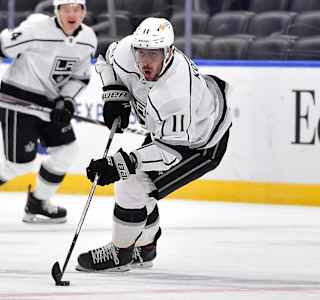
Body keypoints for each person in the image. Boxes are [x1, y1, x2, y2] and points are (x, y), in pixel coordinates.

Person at [75, 17, 232, 272]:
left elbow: (170, 154)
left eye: (154, 54)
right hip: (171, 133)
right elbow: (105, 61)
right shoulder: (127, 50)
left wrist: (122, 164)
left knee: (132, 180)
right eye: (142, 52)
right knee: (136, 183)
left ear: (169, 52)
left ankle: (121, 253)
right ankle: (145, 249)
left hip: (201, 143)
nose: (145, 61)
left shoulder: (176, 95)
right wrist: (114, 94)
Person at [0, 0, 97, 224]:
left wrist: (65, 100)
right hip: (18, 99)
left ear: (84, 12)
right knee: (19, 163)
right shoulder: (36, 29)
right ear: (56, 10)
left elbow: (80, 76)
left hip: (49, 102)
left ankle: (38, 202)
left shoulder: (88, 39)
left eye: (77, 9)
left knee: (67, 151)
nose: (72, 14)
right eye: (66, 8)